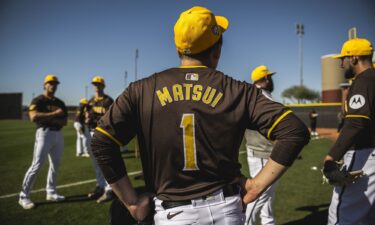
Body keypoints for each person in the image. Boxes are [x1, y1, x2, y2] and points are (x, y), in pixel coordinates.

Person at [91, 6, 310, 225]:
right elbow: (294, 131)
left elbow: (101, 141)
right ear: (217, 50)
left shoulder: (141, 90)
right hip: (226, 210)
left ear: (178, 49)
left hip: (171, 214)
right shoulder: (238, 90)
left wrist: (131, 202)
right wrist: (255, 186)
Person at [323, 38, 375, 225]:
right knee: (367, 218)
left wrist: (331, 156)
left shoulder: (363, 81)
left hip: (363, 155)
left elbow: (356, 123)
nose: (341, 64)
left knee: (341, 218)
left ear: (353, 58)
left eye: (343, 59)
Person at [19, 74, 68, 209]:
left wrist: (47, 117)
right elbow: (33, 117)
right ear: (45, 85)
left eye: (55, 83)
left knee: (55, 165)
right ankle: (23, 196)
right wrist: (54, 115)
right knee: (37, 165)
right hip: (44, 134)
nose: (53, 85)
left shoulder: (59, 102)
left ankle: (51, 192)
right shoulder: (38, 100)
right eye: (50, 83)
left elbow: (64, 121)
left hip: (58, 134)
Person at [244, 65, 278, 225]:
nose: (271, 80)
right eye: (269, 77)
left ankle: (268, 222)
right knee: (259, 194)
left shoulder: (251, 94)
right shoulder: (262, 96)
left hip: (256, 150)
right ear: (265, 78)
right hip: (263, 153)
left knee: (267, 195)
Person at [85, 76, 115, 203]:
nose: (97, 86)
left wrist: (95, 118)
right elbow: (87, 118)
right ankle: (100, 186)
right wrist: (87, 119)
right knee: (96, 164)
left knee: (106, 163)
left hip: (103, 134)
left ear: (103, 86)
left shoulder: (108, 101)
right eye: (95, 84)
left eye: (99, 84)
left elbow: (110, 118)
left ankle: (109, 190)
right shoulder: (90, 101)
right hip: (92, 132)